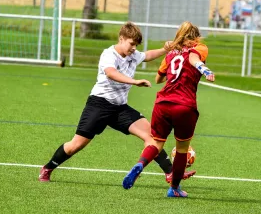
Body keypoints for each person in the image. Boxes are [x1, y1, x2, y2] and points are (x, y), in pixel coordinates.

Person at [38, 22, 196, 184]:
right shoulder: (109, 54)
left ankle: (170, 173)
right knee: (75, 145)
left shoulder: (133, 54)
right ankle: (48, 168)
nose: (134, 48)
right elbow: (111, 73)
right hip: (98, 105)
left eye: (136, 45)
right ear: (121, 39)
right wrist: (134, 82)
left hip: (120, 108)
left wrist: (165, 49)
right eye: (131, 44)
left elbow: (147, 55)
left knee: (151, 136)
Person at [122, 21, 215, 198]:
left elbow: (158, 79)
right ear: (196, 36)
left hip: (162, 103)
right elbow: (194, 59)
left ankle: (140, 164)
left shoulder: (171, 53)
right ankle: (174, 188)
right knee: (182, 149)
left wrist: (173, 73)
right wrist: (204, 70)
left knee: (156, 143)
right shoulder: (200, 47)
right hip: (184, 105)